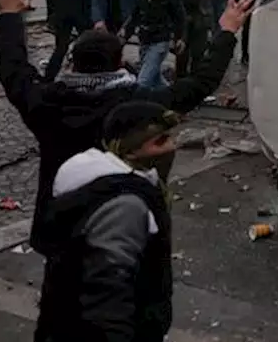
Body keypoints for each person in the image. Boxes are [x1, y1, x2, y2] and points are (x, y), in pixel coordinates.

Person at [0, 0, 249, 255]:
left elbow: (12, 67)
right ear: (118, 63)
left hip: (61, 226)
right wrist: (226, 31)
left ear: (73, 64)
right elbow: (199, 83)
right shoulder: (137, 104)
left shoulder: (46, 102)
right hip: (122, 225)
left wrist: (9, 16)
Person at [36, 101, 180, 342]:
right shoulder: (125, 206)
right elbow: (108, 293)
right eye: (160, 141)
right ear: (130, 151)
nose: (172, 146)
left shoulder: (114, 185)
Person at [124, 0, 187, 90]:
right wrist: (125, 33)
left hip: (160, 39)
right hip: (145, 38)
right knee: (155, 76)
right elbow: (135, 15)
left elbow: (180, 18)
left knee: (144, 80)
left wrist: (180, 38)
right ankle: (169, 96)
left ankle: (138, 102)